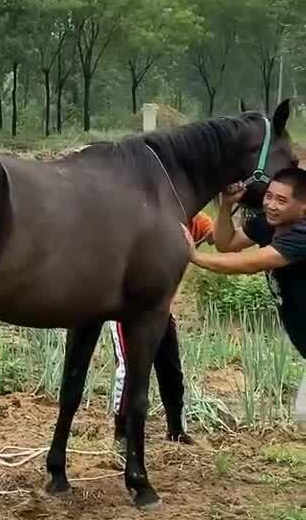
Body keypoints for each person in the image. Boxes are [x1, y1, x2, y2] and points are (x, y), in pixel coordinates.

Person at [109, 209, 214, 450]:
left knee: (171, 370)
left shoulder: (195, 220)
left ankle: (176, 430)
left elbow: (220, 238)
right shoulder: (146, 214)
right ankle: (121, 434)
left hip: (160, 312)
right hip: (128, 311)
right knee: (129, 371)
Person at [186, 167, 306, 365]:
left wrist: (194, 256)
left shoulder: (301, 234)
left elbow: (250, 264)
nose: (271, 205)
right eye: (269, 196)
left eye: (281, 201)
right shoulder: (268, 224)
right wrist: (226, 205)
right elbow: (226, 243)